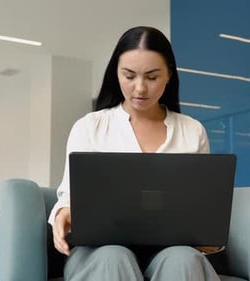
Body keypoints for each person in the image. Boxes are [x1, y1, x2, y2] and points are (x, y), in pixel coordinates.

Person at [48, 26, 220, 281]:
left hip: (169, 251)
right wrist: (64, 214)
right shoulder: (90, 126)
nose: (139, 88)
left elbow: (201, 207)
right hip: (99, 252)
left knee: (184, 260)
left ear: (169, 75)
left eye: (152, 77)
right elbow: (69, 197)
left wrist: (207, 235)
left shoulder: (192, 131)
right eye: (129, 76)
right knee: (114, 258)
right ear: (115, 72)